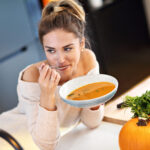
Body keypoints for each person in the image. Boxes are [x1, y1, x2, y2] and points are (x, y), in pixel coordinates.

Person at [16, 0, 104, 149]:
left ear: (81, 44)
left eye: (68, 48)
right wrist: (47, 94)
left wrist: (95, 94)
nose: (60, 60)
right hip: (19, 139)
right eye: (51, 50)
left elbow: (92, 122)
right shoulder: (31, 77)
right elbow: (46, 145)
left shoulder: (87, 61)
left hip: (72, 138)